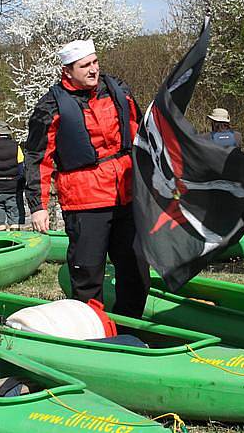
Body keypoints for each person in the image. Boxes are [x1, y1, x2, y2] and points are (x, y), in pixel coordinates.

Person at [24, 38, 150, 318]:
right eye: (85, 65)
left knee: (137, 270)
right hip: (84, 202)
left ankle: (130, 328)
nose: (93, 70)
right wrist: (38, 205)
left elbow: (141, 134)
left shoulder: (118, 91)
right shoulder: (50, 107)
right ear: (67, 70)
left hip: (126, 195)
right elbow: (38, 157)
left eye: (95, 62)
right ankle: (91, 331)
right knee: (88, 273)